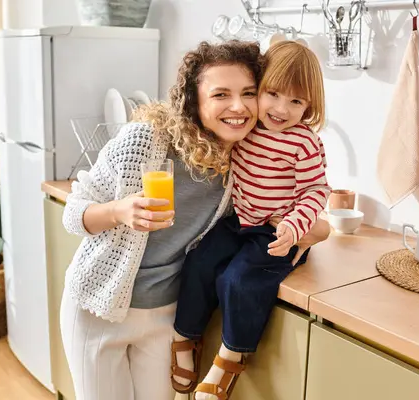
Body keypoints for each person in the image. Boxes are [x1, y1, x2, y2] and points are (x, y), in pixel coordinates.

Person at [171, 40, 331, 400]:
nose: (279, 108)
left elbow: (316, 191)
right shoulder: (248, 125)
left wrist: (295, 226)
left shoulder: (303, 143)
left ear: (309, 105)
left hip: (276, 233)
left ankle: (229, 358)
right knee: (199, 261)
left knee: (238, 280)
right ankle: (184, 337)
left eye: (296, 101)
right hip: (240, 222)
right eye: (272, 94)